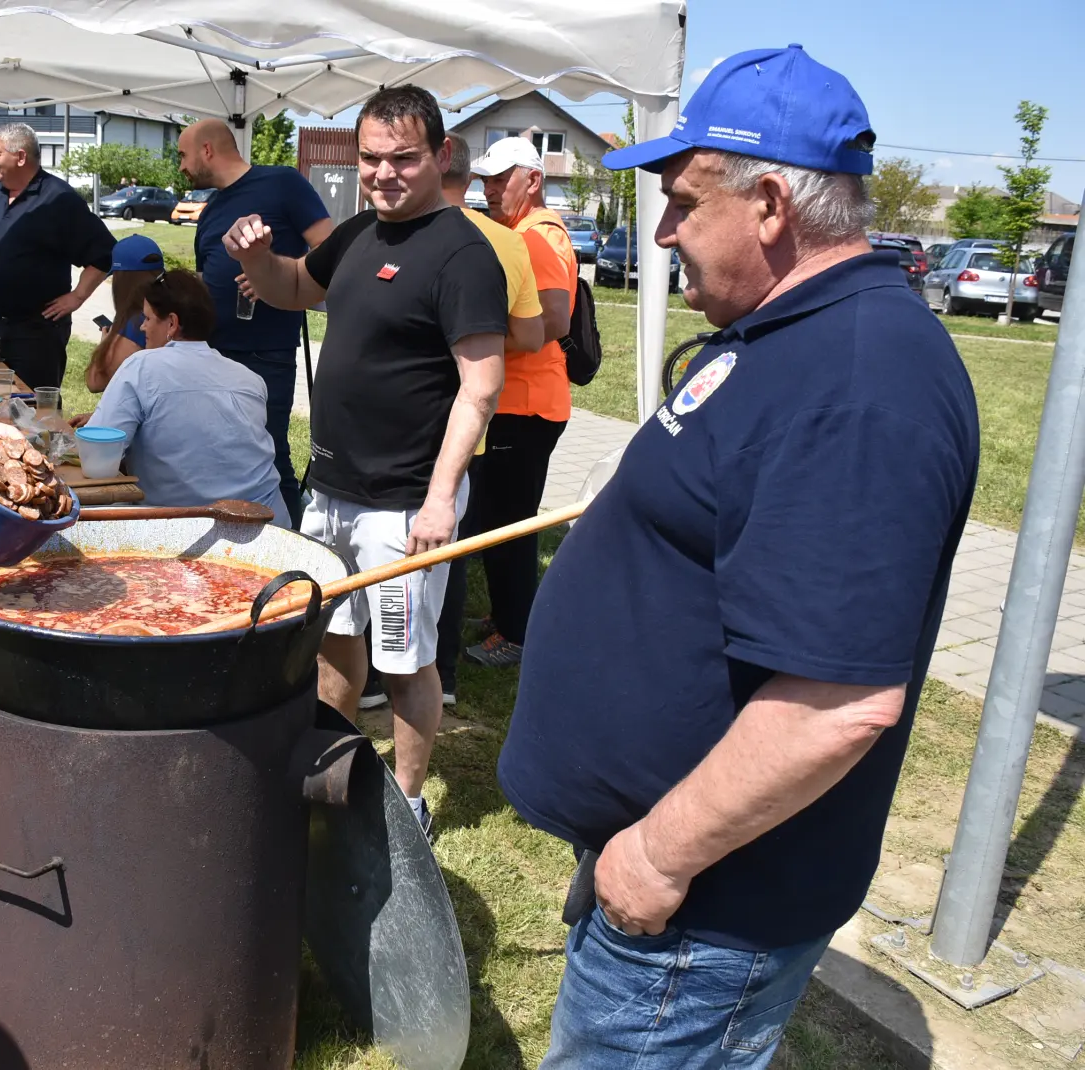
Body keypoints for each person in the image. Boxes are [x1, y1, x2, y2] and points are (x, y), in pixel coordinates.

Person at [495, 46, 979, 1067]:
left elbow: (837, 700)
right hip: (669, 879)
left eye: (680, 200)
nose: (662, 228)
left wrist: (656, 855)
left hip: (699, 904)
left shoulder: (857, 383)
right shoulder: (782, 328)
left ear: (768, 204)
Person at [223, 85, 507, 835]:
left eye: (403, 159)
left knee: (405, 661)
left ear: (441, 156)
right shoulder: (356, 233)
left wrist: (442, 498)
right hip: (332, 490)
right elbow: (290, 287)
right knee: (336, 643)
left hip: (404, 503)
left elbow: (480, 388)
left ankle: (408, 804)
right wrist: (258, 255)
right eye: (372, 159)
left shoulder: (463, 254)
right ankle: (331, 770)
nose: (384, 173)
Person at [456, 135, 577, 669]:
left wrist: (476, 342)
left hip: (526, 404)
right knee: (498, 518)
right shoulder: (524, 231)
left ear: (533, 179)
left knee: (507, 523)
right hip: (523, 400)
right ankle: (510, 612)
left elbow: (554, 320)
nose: (490, 189)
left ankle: (517, 632)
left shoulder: (536, 237)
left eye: (501, 179)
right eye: (484, 179)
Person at [430, 135, 543, 701]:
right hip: (469, 417)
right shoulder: (506, 241)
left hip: (400, 419)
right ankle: (440, 675)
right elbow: (532, 333)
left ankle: (380, 671)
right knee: (448, 541)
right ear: (471, 179)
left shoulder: (394, 234)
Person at [181, 118, 333, 527]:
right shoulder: (211, 209)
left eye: (183, 154)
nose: (181, 166)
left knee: (268, 453)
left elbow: (331, 247)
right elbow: (203, 276)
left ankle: (299, 550)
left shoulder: (282, 183)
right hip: (214, 354)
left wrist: (271, 270)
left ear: (207, 150)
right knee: (218, 451)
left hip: (266, 353)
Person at [78, 270, 287, 521]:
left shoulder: (142, 366)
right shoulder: (250, 379)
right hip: (266, 521)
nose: (143, 326)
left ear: (172, 323)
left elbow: (98, 459)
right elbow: (204, 429)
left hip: (183, 529)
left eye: (147, 318)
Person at [0, 121, 115, 389]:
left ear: (20, 157)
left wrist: (77, 297)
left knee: (34, 409)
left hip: (37, 333)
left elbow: (105, 254)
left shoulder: (58, 199)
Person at [85, 233, 163, 393]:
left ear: (120, 280)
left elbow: (95, 382)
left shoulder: (135, 325)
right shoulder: (174, 310)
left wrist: (106, 344)